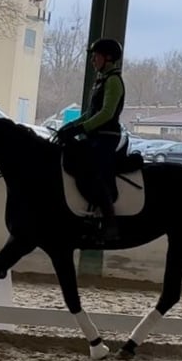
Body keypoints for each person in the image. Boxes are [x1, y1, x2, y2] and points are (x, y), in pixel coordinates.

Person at [56, 38, 126, 244]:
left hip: (107, 137)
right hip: (94, 135)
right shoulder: (101, 81)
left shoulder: (113, 81)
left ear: (108, 58)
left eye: (96, 56)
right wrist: (68, 127)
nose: (93, 60)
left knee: (90, 171)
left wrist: (80, 129)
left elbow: (106, 113)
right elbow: (89, 113)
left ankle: (110, 223)